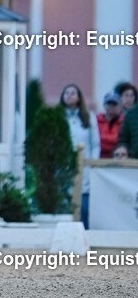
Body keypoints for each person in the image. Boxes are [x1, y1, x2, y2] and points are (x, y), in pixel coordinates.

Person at [59, 83, 99, 228]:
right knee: (66, 206)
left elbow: (95, 144)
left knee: (84, 207)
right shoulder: (59, 117)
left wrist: (91, 164)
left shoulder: (88, 117)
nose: (69, 95)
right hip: (64, 167)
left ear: (79, 97)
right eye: (66, 93)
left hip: (85, 167)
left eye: (73, 93)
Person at [96, 92, 125, 159]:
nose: (111, 107)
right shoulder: (96, 121)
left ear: (120, 106)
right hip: (98, 157)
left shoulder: (125, 122)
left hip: (118, 158)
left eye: (114, 104)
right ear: (104, 105)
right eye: (109, 104)